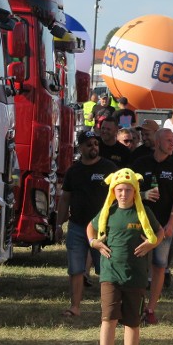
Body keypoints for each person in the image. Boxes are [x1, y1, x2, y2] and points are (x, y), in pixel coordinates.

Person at [87, 168, 163, 345]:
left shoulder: (144, 212)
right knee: (108, 318)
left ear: (135, 192)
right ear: (113, 191)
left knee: (132, 321)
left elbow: (160, 232)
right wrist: (95, 244)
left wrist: (151, 244)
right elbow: (90, 229)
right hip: (110, 275)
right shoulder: (108, 213)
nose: (123, 194)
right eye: (119, 190)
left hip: (135, 276)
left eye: (127, 190)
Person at [55, 131, 117, 317]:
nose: (94, 147)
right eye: (89, 144)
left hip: (103, 229)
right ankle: (75, 306)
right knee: (75, 269)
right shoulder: (73, 171)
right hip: (77, 227)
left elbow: (119, 194)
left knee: (105, 270)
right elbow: (65, 198)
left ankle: (109, 308)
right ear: (80, 147)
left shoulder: (109, 168)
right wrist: (59, 224)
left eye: (96, 143)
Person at [131, 128, 173, 324]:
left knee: (159, 266)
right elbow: (128, 192)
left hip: (164, 226)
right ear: (157, 142)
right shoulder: (140, 164)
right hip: (140, 224)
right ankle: (135, 305)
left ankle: (151, 308)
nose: (172, 144)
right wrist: (144, 195)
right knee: (138, 266)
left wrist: (171, 224)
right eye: (168, 140)